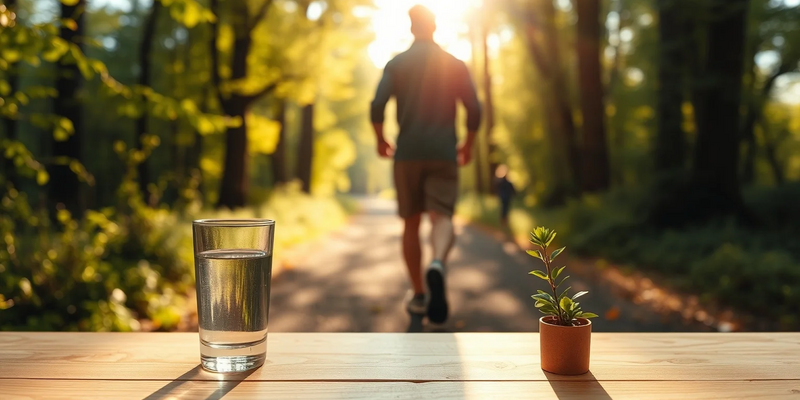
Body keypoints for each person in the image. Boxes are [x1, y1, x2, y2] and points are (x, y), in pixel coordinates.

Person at [370, 5, 481, 324]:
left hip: (407, 153)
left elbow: (377, 105)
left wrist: (381, 139)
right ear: (434, 26)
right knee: (441, 216)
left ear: (411, 27)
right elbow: (474, 108)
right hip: (444, 152)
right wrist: (468, 144)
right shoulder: (455, 64)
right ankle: (438, 264)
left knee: (411, 223)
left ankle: (419, 294)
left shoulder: (397, 64)